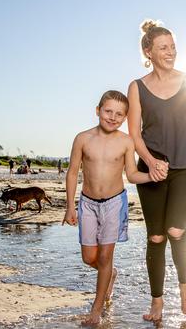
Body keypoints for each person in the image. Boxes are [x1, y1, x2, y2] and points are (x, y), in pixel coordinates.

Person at [127, 20, 186, 323]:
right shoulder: (136, 87)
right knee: (157, 237)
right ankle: (157, 302)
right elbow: (134, 133)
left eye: (173, 47)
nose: (171, 52)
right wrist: (149, 161)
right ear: (148, 51)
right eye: (164, 48)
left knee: (177, 230)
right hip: (152, 170)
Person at [62, 90, 159, 326]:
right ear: (98, 110)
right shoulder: (82, 139)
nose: (112, 117)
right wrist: (69, 207)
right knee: (89, 257)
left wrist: (151, 176)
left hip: (115, 203)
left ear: (125, 117)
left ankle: (96, 309)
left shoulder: (126, 142)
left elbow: (132, 174)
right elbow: (73, 172)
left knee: (106, 256)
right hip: (88, 203)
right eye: (108, 111)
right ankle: (109, 274)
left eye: (119, 114)